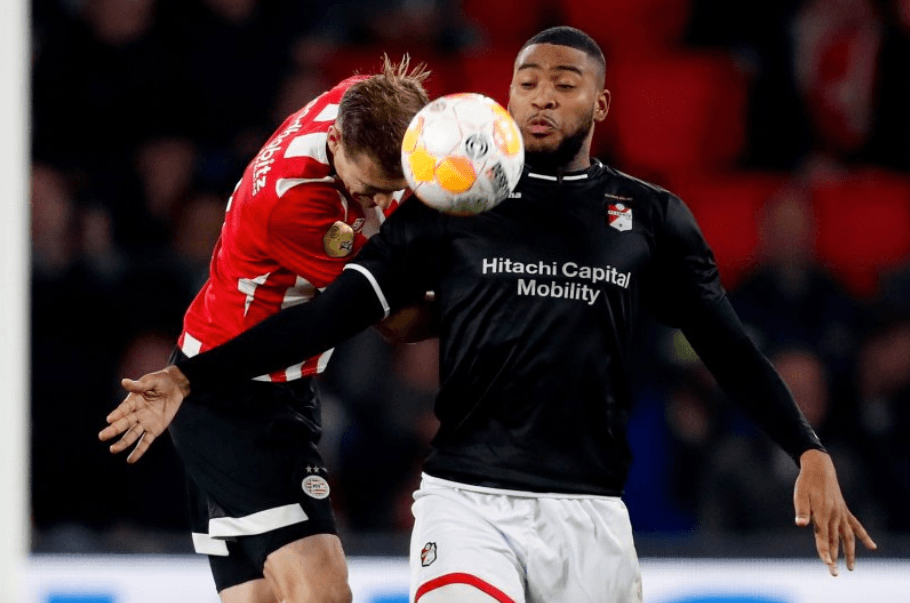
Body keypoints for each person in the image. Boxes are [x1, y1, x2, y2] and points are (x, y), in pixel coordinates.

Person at [101, 27, 876, 603]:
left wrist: (806, 449)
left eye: (563, 81)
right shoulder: (446, 204)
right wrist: (190, 375)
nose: (541, 93)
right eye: (526, 79)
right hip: (466, 503)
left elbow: (725, 343)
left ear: (600, 101)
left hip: (592, 513)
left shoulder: (651, 218)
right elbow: (335, 315)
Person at [101, 56, 430, 603]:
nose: (376, 200)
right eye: (370, 187)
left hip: (237, 384)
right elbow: (390, 320)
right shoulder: (298, 204)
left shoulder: (360, 102)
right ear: (338, 145)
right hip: (234, 395)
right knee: (323, 591)